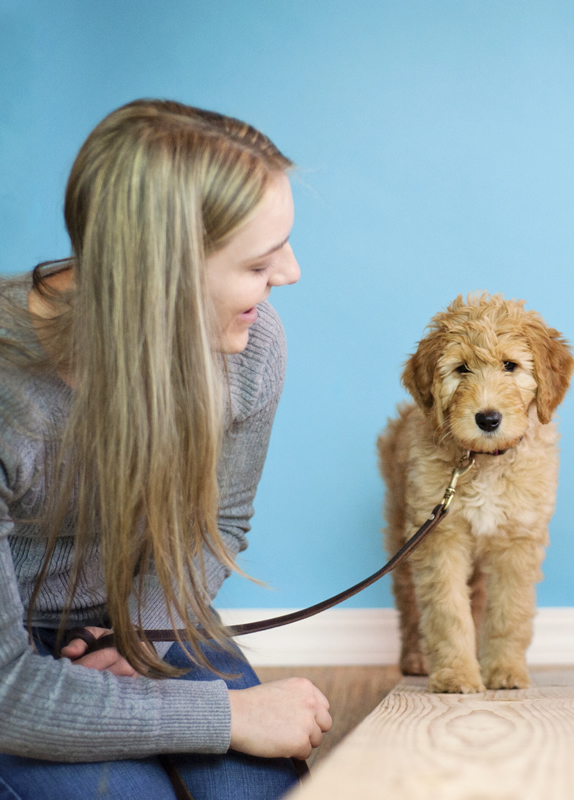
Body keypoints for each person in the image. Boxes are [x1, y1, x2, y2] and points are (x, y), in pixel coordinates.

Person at [0, 99, 331, 800]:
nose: (291, 273)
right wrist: (225, 713)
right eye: (260, 260)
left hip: (149, 617)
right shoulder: (10, 398)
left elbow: (225, 524)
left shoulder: (247, 347)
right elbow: (9, 694)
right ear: (163, 273)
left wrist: (140, 634)